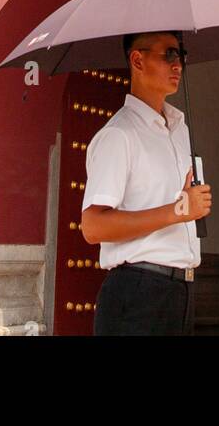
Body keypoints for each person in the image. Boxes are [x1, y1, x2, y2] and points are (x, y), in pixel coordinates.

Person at [81, 30, 211, 336]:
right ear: (137, 60)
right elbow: (93, 226)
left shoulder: (179, 129)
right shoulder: (119, 135)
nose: (177, 64)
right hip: (137, 291)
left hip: (180, 291)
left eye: (180, 55)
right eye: (168, 55)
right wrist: (177, 211)